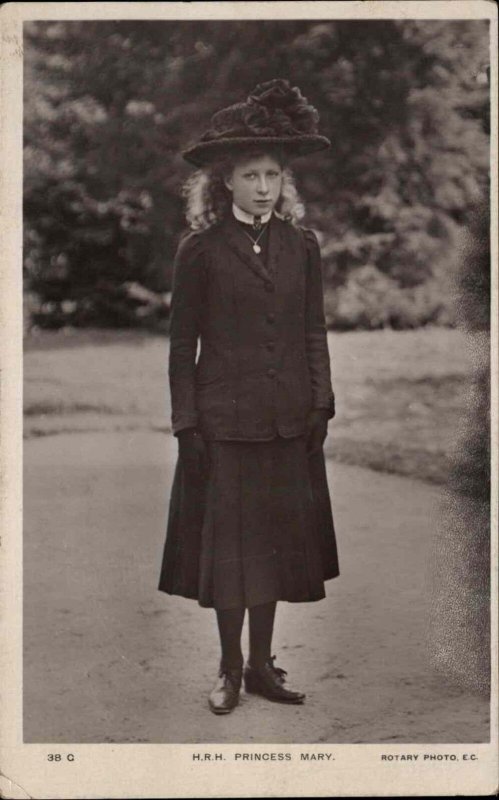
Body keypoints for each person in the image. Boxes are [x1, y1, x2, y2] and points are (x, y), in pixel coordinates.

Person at [158, 79, 339, 715]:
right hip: (223, 424)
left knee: (274, 549)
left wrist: (322, 402)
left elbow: (313, 330)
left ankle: (263, 665)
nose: (262, 186)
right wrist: (186, 424)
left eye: (271, 174)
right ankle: (230, 669)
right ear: (224, 184)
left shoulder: (303, 246)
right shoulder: (200, 251)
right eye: (249, 175)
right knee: (231, 554)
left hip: (289, 420)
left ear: (283, 182)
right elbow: (182, 349)